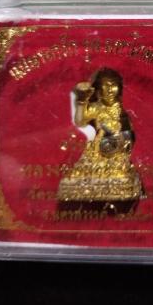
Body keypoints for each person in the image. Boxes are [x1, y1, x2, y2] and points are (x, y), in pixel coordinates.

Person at [57, 67, 142, 203]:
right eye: (105, 85)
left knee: (121, 173)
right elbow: (80, 121)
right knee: (83, 173)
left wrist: (124, 142)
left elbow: (129, 134)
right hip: (98, 151)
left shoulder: (121, 111)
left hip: (117, 153)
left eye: (113, 85)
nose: (110, 90)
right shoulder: (96, 107)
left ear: (120, 88)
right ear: (98, 89)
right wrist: (82, 101)